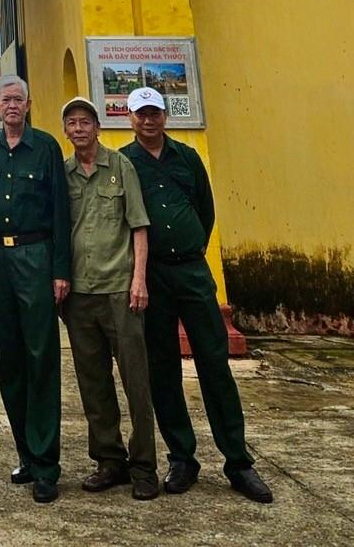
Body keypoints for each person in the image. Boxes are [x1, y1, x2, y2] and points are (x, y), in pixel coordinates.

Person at [122, 86, 273, 504]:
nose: (148, 120)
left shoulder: (187, 157)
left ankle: (238, 461)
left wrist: (189, 250)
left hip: (191, 270)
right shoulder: (125, 162)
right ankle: (182, 457)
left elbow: (205, 212)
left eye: (155, 113)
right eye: (141, 114)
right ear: (129, 118)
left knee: (214, 363)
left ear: (164, 116)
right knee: (163, 368)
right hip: (151, 276)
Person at [61, 96, 158, 500]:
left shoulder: (121, 166)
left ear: (97, 126)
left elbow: (138, 225)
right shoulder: (62, 174)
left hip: (120, 289)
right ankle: (109, 459)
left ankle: (144, 466)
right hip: (80, 294)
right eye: (72, 123)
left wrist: (139, 280)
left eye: (85, 121)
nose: (79, 129)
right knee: (93, 383)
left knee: (136, 380)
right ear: (66, 131)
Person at [0, 74, 70, 504]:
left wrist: (60, 270)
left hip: (37, 255)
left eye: (18, 99)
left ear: (28, 104)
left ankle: (47, 463)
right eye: (5, 100)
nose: (12, 106)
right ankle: (26, 455)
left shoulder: (47, 148)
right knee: (11, 359)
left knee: (41, 357)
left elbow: (61, 212)